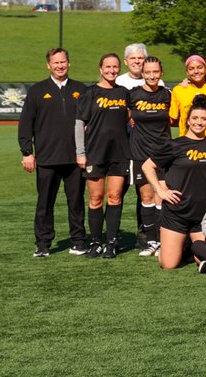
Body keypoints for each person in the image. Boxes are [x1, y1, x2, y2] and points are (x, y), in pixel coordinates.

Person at [19, 48, 89, 257]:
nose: (60, 66)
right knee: (45, 203)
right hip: (47, 158)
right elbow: (25, 124)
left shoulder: (81, 89)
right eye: (55, 62)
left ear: (69, 63)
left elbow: (90, 122)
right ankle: (43, 244)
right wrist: (27, 152)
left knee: (76, 202)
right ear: (48, 65)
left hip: (75, 158)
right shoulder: (37, 90)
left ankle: (78, 241)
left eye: (63, 62)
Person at [141, 94, 206, 270]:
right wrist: (161, 192)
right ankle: (177, 245)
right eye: (195, 118)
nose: (199, 122)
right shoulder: (175, 145)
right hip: (177, 213)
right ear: (187, 121)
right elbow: (148, 166)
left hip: (204, 214)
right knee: (168, 265)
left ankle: (186, 246)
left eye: (204, 119)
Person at [75, 53, 132, 258]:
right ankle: (96, 241)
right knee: (96, 198)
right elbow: (79, 124)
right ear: (100, 69)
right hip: (95, 153)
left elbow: (131, 118)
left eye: (115, 67)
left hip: (119, 154)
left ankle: (111, 242)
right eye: (107, 67)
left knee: (115, 197)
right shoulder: (90, 93)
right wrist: (80, 153)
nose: (111, 70)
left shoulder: (124, 93)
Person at [126, 55, 172, 256]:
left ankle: (162, 241)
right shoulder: (133, 95)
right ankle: (150, 241)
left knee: (161, 196)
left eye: (155, 72)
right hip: (140, 153)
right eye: (148, 72)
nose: (152, 76)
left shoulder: (168, 95)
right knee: (146, 196)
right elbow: (125, 117)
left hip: (163, 153)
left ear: (161, 73)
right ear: (142, 74)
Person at [170, 55, 206, 142]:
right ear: (187, 72)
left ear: (205, 68)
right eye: (191, 69)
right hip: (187, 145)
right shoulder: (179, 90)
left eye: (199, 67)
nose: (196, 71)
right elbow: (173, 119)